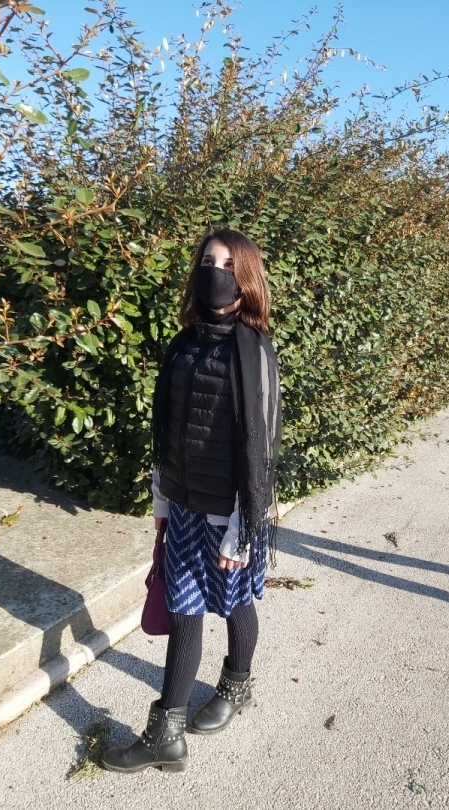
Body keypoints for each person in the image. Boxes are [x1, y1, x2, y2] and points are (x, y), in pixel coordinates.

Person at [101, 227, 283, 774]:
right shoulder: (183, 345)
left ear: (245, 278)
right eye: (207, 261)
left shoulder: (253, 350)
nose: (215, 272)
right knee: (183, 612)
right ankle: (166, 735)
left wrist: (242, 530)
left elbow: (261, 447)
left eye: (227, 264)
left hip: (229, 514)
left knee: (235, 604)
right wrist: (162, 506)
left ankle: (236, 686)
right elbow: (168, 432)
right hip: (182, 505)